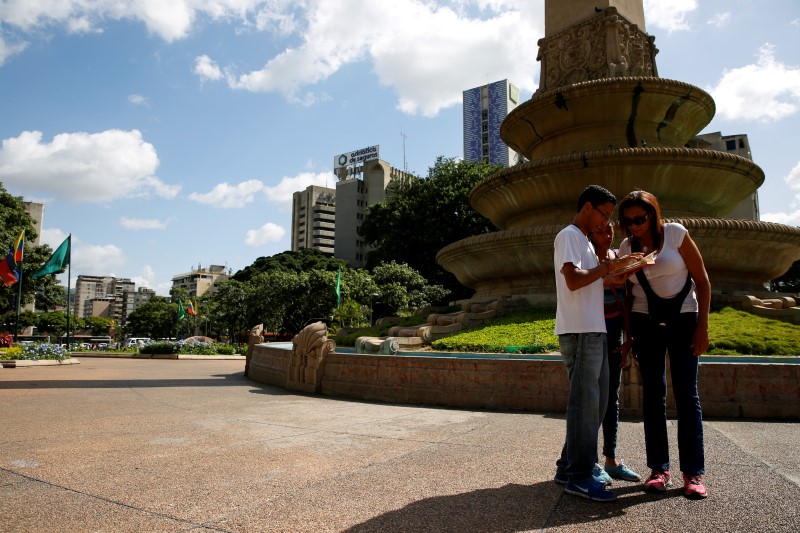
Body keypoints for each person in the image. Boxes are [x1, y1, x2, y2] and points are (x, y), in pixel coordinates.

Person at [617, 190, 710, 499]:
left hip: (684, 318)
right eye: (628, 221)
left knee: (686, 394)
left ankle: (693, 473)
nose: (634, 226)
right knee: (653, 396)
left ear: (654, 214)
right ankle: (659, 468)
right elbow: (628, 294)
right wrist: (630, 337)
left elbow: (703, 280)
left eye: (640, 219)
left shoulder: (676, 234)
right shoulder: (626, 247)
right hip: (645, 321)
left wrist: (702, 328)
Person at [553, 185, 643, 502]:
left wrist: (621, 268)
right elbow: (574, 279)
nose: (605, 222)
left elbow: (592, 282)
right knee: (585, 405)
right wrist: (606, 268)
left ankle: (567, 465)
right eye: (604, 214)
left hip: (595, 329)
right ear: (588, 207)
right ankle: (579, 476)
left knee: (598, 401)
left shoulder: (585, 243)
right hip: (579, 331)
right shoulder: (570, 236)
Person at [589, 222, 641, 483]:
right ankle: (587, 461)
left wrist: (627, 337)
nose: (606, 235)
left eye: (609, 231)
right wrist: (603, 279)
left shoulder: (616, 258)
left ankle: (611, 459)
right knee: (591, 398)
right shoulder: (585, 258)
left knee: (611, 398)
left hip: (614, 331)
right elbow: (574, 289)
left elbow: (627, 298)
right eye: (600, 230)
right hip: (591, 331)